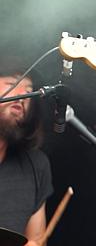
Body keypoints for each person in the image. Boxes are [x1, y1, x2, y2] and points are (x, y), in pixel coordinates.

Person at [0, 59, 52, 246]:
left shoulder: (36, 165)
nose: (22, 95)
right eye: (12, 84)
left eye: (29, 91)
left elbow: (36, 239)